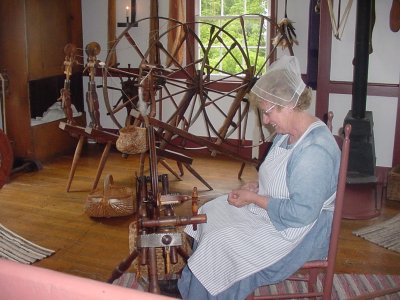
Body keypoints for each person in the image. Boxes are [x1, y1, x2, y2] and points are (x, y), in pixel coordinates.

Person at [177, 55, 341, 300]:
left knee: (220, 244)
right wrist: (256, 187)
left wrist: (255, 199)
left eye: (267, 112)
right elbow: (277, 175)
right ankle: (194, 286)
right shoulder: (288, 133)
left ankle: (207, 290)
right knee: (209, 212)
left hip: (297, 233)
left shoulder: (314, 152)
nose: (265, 120)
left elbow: (301, 214)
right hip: (277, 212)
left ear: (287, 105)